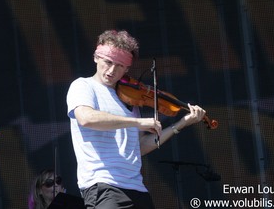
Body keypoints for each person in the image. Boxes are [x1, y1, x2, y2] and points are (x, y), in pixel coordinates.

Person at [66, 29, 206, 209]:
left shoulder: (130, 98)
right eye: (108, 62)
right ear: (96, 57)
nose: (112, 70)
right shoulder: (83, 86)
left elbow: (139, 147)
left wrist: (181, 124)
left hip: (137, 188)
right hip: (103, 184)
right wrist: (137, 122)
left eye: (119, 66)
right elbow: (86, 118)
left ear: (127, 68)